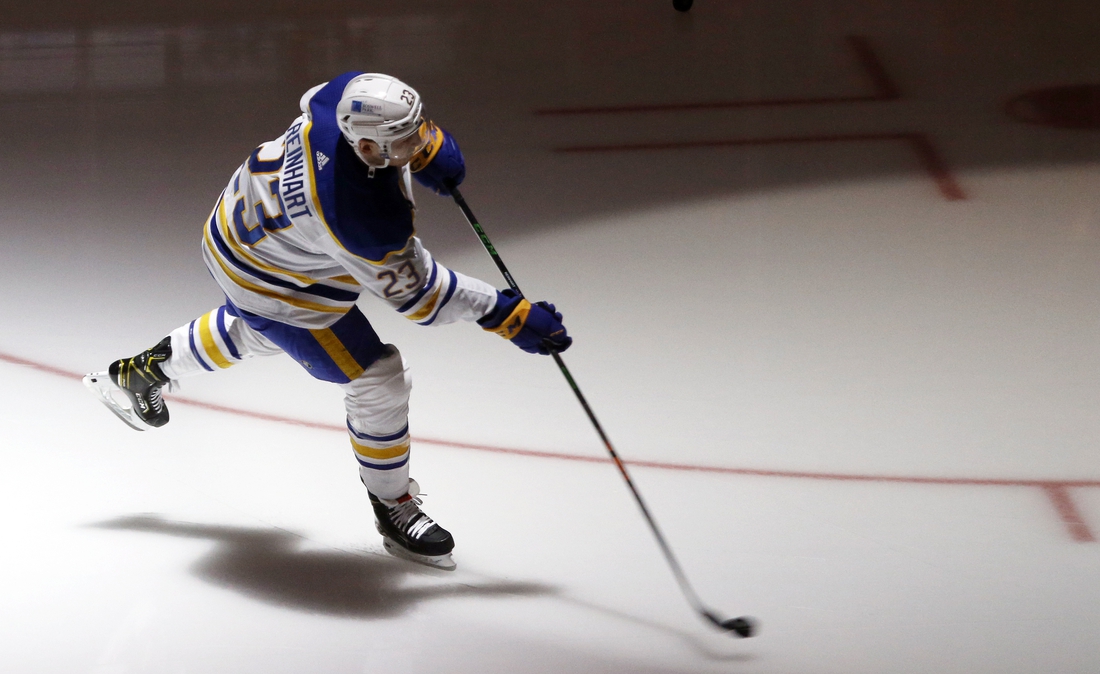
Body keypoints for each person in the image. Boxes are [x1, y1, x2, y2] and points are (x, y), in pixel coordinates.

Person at [83, 72, 572, 571]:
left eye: (416, 130)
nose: (415, 144)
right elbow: (422, 297)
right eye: (402, 142)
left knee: (262, 330)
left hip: (239, 229)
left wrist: (424, 145)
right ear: (363, 145)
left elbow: (336, 101)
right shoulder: (358, 215)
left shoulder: (343, 95)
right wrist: (505, 313)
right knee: (377, 377)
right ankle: (391, 503)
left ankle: (145, 371)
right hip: (278, 280)